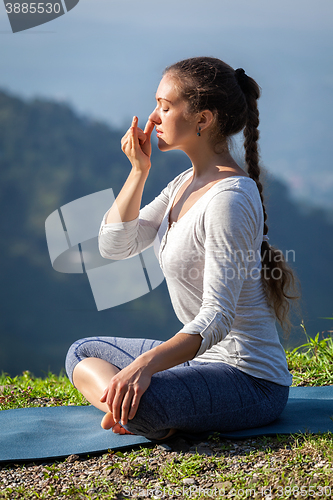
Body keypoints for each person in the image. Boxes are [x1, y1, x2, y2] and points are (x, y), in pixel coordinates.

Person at [65, 57, 298, 440]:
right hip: (202, 363)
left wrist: (144, 366)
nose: (154, 117)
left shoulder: (230, 199)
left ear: (203, 120)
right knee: (82, 352)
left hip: (250, 382)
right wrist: (138, 172)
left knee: (144, 395)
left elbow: (216, 317)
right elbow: (115, 245)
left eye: (166, 106)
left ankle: (144, 414)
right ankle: (138, 414)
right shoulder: (183, 184)